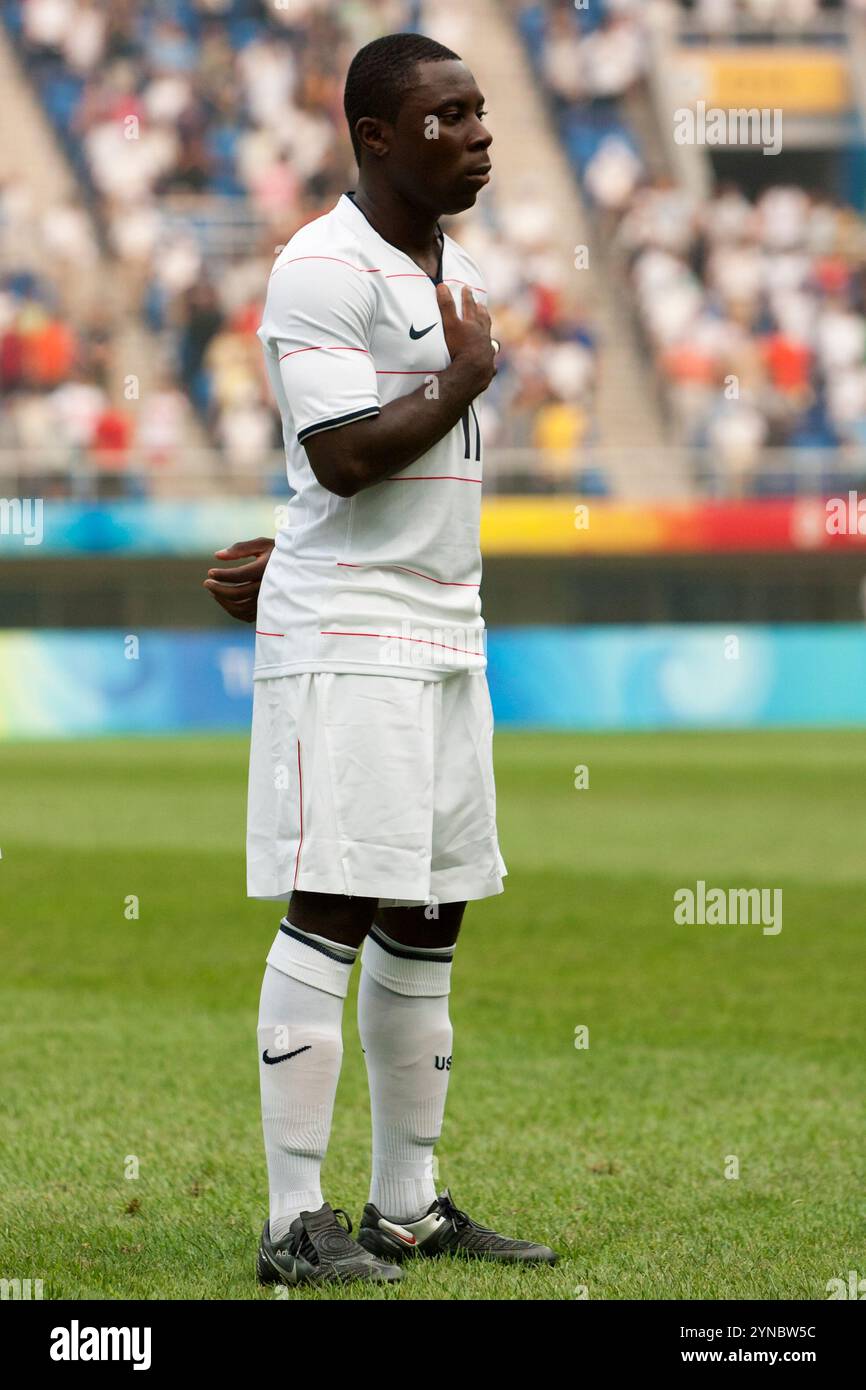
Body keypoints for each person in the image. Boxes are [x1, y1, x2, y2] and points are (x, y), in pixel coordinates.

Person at [204, 31, 556, 1287]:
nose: (477, 133)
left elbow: (338, 474)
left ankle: (405, 1204)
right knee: (336, 899)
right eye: (446, 116)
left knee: (430, 908)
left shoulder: (450, 261)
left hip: (445, 622)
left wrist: (292, 528)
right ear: (374, 137)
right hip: (350, 629)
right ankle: (293, 1219)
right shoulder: (317, 267)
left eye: (478, 110)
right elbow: (344, 455)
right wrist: (462, 379)